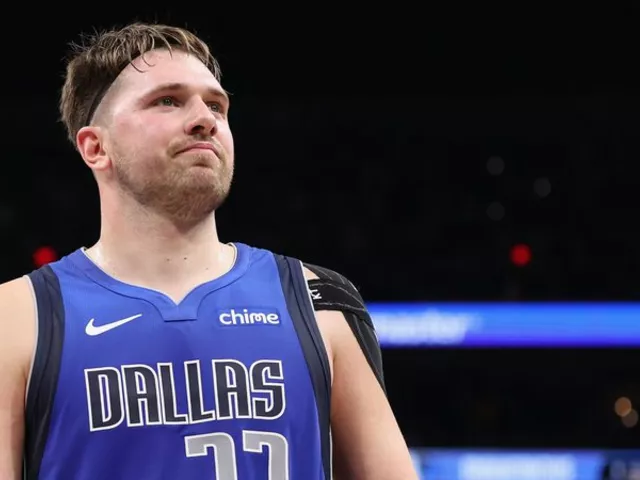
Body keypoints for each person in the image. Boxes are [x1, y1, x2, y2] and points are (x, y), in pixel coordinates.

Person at [0, 22, 418, 480]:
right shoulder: (16, 317)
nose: (205, 119)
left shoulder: (319, 300)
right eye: (167, 100)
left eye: (216, 105)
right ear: (96, 147)